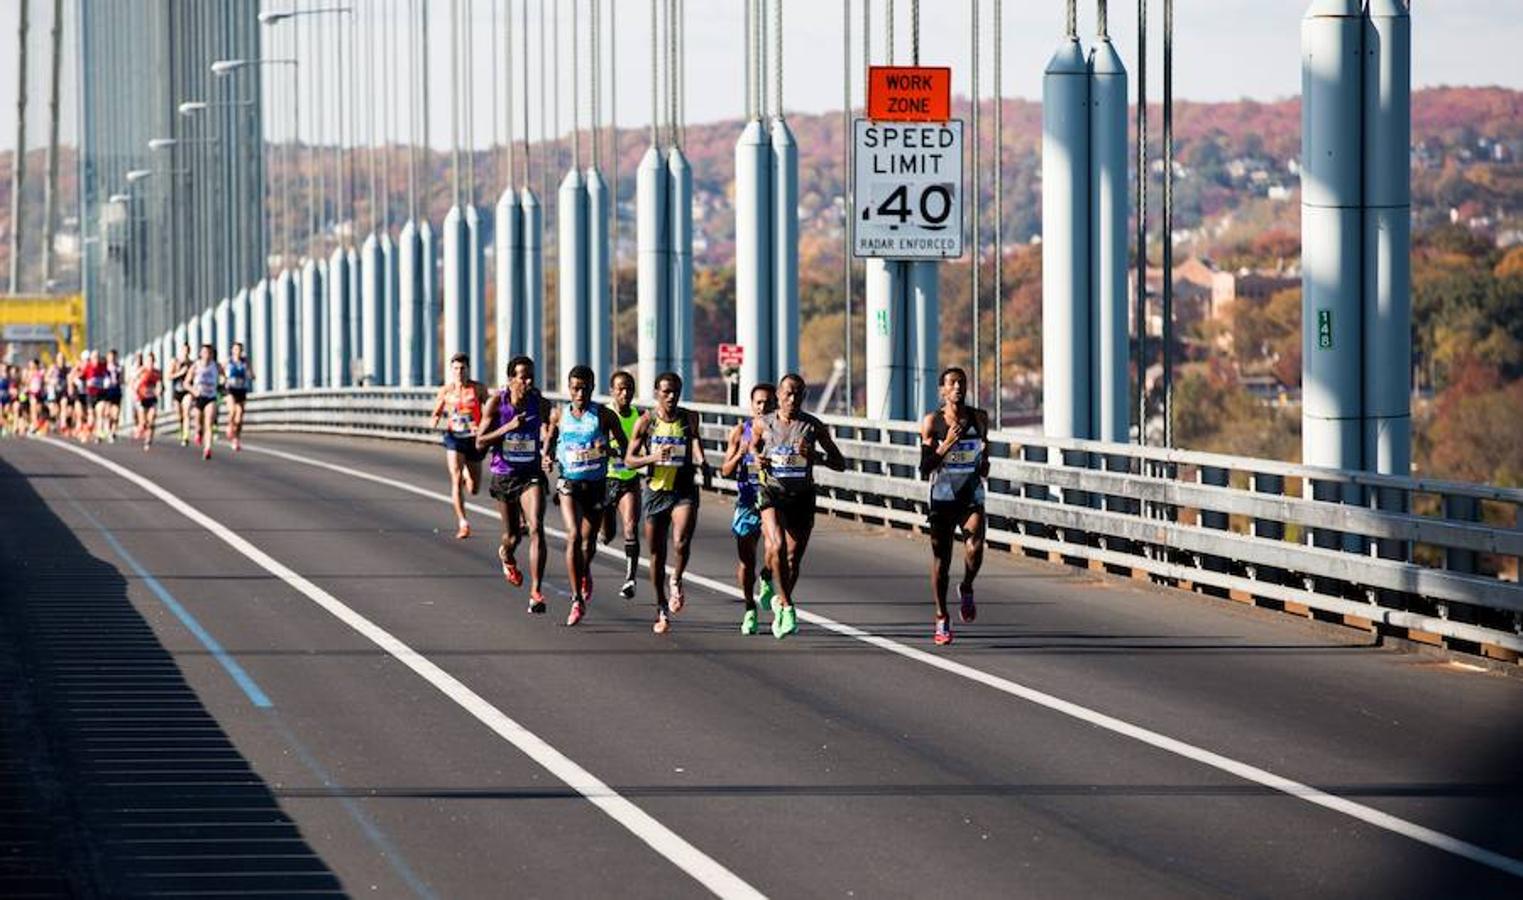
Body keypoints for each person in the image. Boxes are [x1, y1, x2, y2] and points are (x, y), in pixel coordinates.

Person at [750, 373, 847, 639]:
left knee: (792, 560)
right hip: (772, 492)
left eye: (798, 394)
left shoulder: (813, 426)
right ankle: (789, 605)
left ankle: (780, 600)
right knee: (777, 545)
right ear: (778, 395)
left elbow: (840, 463)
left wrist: (815, 455)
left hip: (802, 496)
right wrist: (757, 459)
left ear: (804, 397)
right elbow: (753, 446)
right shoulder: (763, 423)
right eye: (788, 393)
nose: (792, 399)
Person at [544, 365, 629, 626]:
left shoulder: (604, 415)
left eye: (584, 388)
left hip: (595, 484)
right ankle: (576, 599)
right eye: (575, 388)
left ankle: (585, 572)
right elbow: (550, 438)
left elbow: (626, 448)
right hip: (569, 482)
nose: (579, 393)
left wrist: (609, 449)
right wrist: (546, 456)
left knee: (587, 542)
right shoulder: (560, 415)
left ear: (592, 388)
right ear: (569, 389)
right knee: (573, 536)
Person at [623, 371, 707, 635]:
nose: (671, 396)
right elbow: (629, 460)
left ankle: (677, 579)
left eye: (676, 392)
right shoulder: (646, 422)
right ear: (656, 393)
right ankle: (661, 607)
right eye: (666, 392)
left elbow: (695, 443)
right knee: (656, 555)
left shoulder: (689, 417)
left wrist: (702, 462)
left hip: (683, 489)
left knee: (681, 541)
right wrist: (653, 457)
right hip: (656, 491)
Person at [919, 366, 990, 646]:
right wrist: (946, 443)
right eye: (952, 383)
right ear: (942, 390)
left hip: (971, 492)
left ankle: (968, 586)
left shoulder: (979, 418)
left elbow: (985, 450)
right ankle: (941, 616)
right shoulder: (933, 422)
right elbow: (925, 467)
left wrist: (984, 463)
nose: (958, 387)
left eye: (962, 382)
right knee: (942, 561)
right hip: (943, 495)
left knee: (975, 545)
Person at [476, 356, 551, 613]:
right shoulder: (497, 402)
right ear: (510, 379)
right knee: (512, 536)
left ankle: (536, 592)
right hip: (505, 474)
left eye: (531, 376)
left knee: (536, 527)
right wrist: (508, 426)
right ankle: (507, 555)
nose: (528, 381)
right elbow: (480, 442)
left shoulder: (539, 401)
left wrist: (549, 450)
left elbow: (549, 430)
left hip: (531, 473)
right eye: (522, 376)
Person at [720, 382, 778, 635]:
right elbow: (725, 470)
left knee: (775, 547)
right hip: (746, 502)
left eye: (767, 402)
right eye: (758, 402)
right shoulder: (739, 431)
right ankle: (749, 608)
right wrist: (740, 454)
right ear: (752, 405)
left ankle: (766, 576)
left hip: (771, 499)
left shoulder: (780, 432)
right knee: (746, 561)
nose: (763, 407)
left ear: (775, 405)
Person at [429, 352, 489, 539]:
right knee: (455, 479)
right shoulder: (446, 391)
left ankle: (466, 473)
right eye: (455, 368)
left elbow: (489, 411)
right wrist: (434, 421)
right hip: (454, 437)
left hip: (473, 438)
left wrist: (482, 426)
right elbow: (436, 412)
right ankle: (463, 523)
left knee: (474, 488)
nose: (459, 372)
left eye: (462, 368)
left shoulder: (478, 389)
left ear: (468, 369)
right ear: (451, 370)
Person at [600, 370, 644, 599]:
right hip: (606, 479)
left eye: (629, 388)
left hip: (629, 479)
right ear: (612, 391)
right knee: (608, 534)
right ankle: (603, 534)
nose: (625, 393)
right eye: (620, 389)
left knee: (630, 526)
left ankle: (630, 579)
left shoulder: (639, 416)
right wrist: (609, 450)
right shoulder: (604, 414)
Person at [187, 344, 222, 460]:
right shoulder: (195, 366)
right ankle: (198, 432)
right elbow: (186, 383)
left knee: (209, 424)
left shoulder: (216, 366)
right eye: (204, 353)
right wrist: (193, 391)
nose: (207, 355)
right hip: (199, 397)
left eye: (209, 353)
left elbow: (224, 378)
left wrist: (223, 383)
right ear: (201, 354)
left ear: (212, 354)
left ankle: (207, 449)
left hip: (211, 397)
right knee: (198, 423)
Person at [223, 342, 254, 452]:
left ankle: (236, 439)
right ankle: (229, 427)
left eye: (240, 350)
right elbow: (220, 371)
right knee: (232, 411)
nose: (238, 352)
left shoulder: (245, 362)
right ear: (232, 350)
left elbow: (251, 373)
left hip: (241, 389)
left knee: (239, 417)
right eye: (235, 349)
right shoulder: (228, 361)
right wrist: (222, 379)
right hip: (230, 389)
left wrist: (251, 375)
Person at [134, 351, 163, 451]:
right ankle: (140, 428)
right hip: (141, 398)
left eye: (151, 361)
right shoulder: (141, 371)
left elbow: (160, 385)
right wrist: (136, 388)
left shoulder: (157, 372)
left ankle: (148, 440)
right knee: (143, 422)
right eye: (148, 361)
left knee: (151, 420)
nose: (150, 363)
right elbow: (132, 382)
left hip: (152, 398)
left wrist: (159, 390)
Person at [167, 344, 193, 446]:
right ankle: (181, 429)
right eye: (184, 350)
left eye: (187, 350)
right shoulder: (175, 362)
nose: (185, 352)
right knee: (180, 415)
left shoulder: (191, 363)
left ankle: (185, 436)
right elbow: (169, 376)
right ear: (181, 351)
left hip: (187, 391)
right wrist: (180, 373)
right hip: (177, 391)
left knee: (186, 413)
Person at [100, 349, 124, 442]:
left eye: (114, 357)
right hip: (107, 391)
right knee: (108, 413)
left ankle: (113, 432)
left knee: (116, 414)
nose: (112, 359)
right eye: (110, 357)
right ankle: (108, 430)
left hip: (116, 391)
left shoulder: (119, 367)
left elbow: (122, 380)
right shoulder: (104, 367)